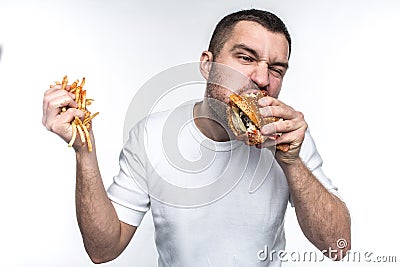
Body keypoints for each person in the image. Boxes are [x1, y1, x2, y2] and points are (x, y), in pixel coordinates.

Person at [42, 9, 351, 266]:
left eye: (276, 69)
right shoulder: (151, 135)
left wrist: (292, 162)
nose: (261, 79)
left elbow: (338, 247)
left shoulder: (288, 137)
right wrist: (84, 151)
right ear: (207, 64)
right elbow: (103, 250)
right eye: (245, 58)